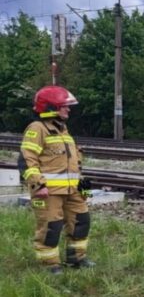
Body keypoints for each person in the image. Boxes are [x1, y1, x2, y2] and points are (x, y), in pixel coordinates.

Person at [18, 86, 93, 274]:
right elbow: (27, 160)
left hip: (73, 191)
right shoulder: (37, 129)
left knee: (82, 221)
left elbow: (74, 164)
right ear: (51, 107)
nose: (68, 109)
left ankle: (77, 258)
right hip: (48, 193)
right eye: (64, 106)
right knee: (51, 227)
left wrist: (85, 188)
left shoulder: (63, 130)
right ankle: (50, 264)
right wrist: (38, 185)